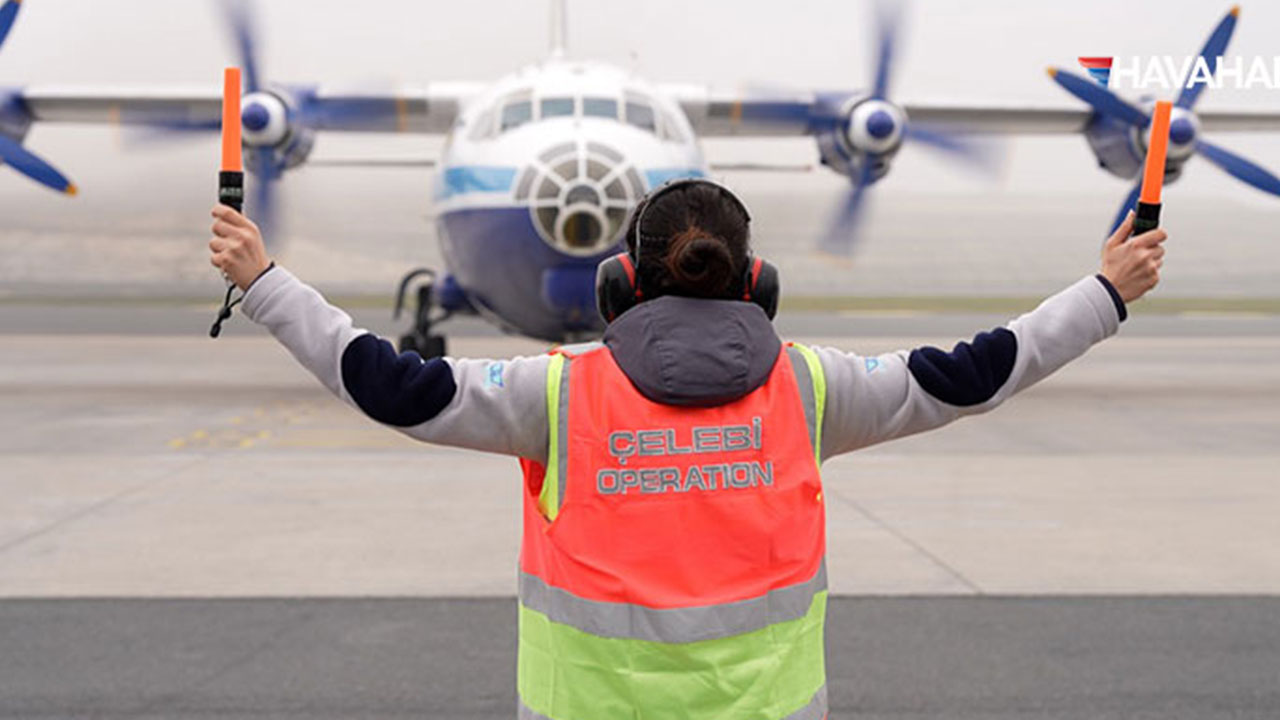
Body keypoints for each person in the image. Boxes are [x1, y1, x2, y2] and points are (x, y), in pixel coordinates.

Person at [208, 179, 1165, 719]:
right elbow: (978, 370)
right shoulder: (814, 388)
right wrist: (1106, 291)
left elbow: (387, 384)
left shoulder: (557, 393)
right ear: (757, 280)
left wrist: (263, 282)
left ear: (621, 279)